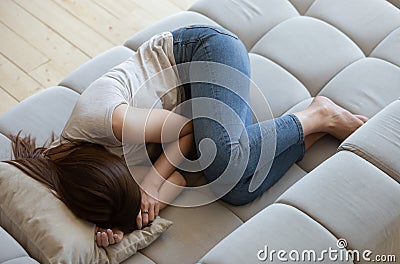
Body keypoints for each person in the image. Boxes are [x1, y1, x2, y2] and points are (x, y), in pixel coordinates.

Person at [4, 25, 367, 247]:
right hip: (187, 107)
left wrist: (151, 182)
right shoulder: (79, 175)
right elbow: (176, 175)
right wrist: (123, 222)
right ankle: (312, 131)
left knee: (227, 159)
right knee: (237, 189)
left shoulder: (106, 122)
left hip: (200, 53)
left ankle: (318, 113)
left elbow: (188, 129)